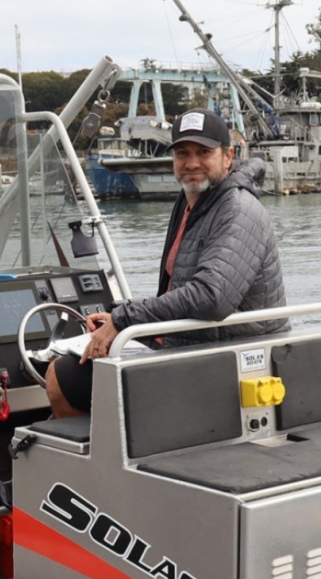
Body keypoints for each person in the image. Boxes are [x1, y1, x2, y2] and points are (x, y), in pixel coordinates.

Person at [47, 109, 286, 418]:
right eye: (182, 153)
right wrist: (120, 319)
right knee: (75, 361)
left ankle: (97, 463)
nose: (192, 163)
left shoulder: (238, 210)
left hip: (234, 359)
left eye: (204, 152)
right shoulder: (191, 203)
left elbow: (212, 298)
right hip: (194, 345)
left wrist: (126, 319)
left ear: (228, 156)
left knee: (59, 378)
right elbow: (181, 292)